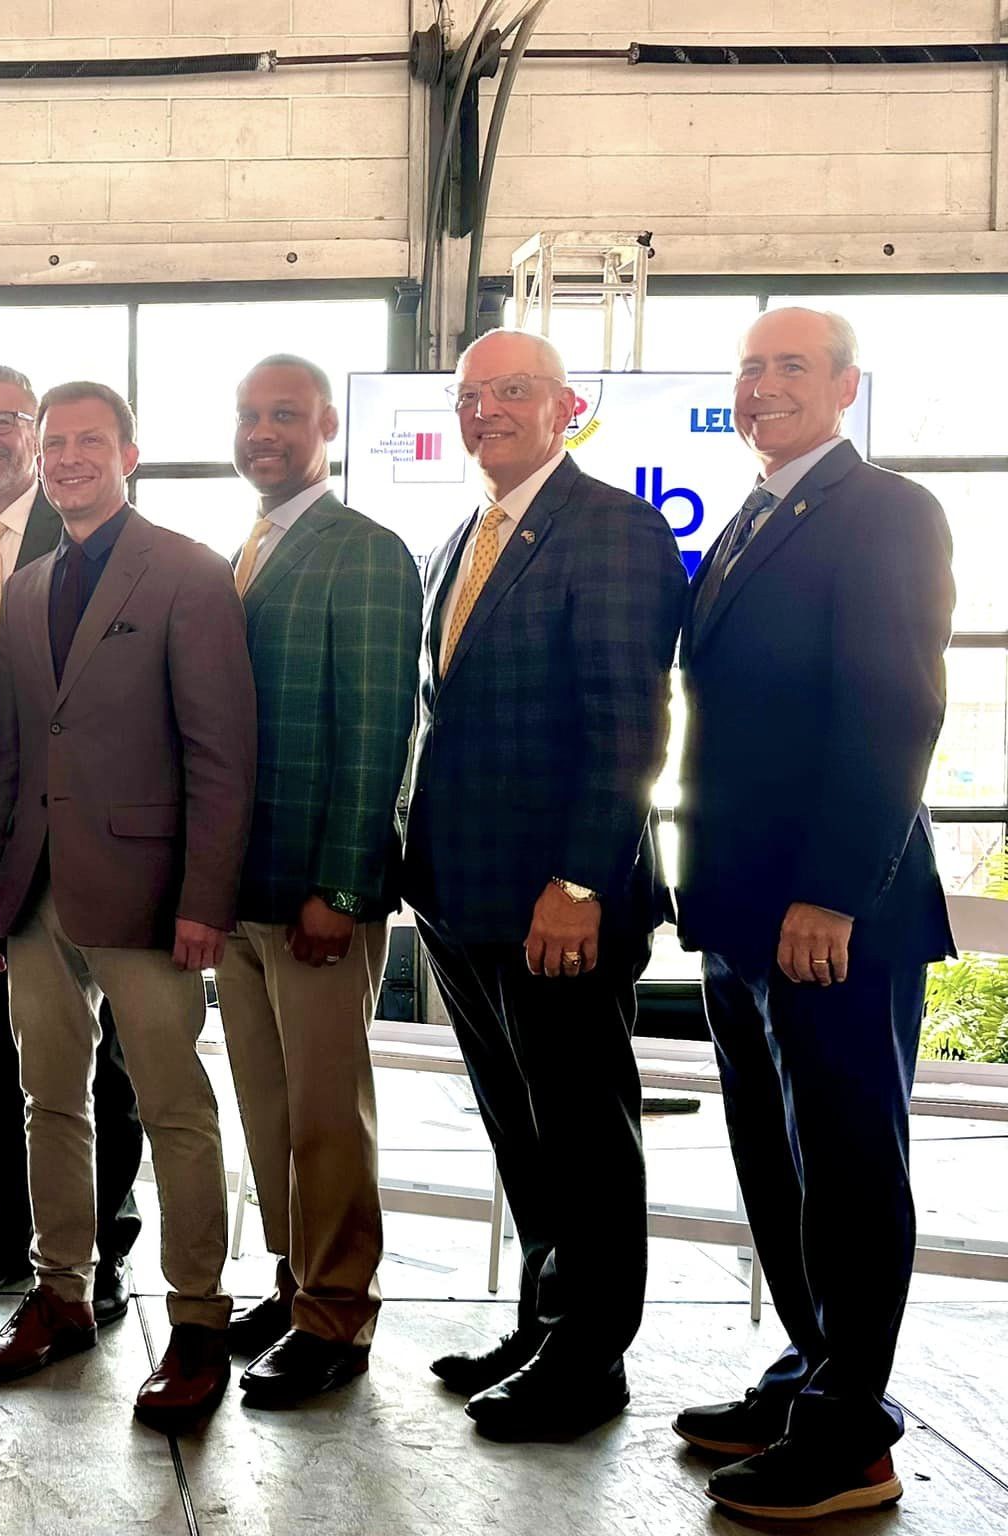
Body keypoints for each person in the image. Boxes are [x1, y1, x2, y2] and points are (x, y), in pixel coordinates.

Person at [672, 307, 955, 1522]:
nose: (763, 384)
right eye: (749, 367)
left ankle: (848, 1436)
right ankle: (809, 1372)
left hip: (831, 913)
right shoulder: (752, 513)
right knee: (775, 1163)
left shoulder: (884, 512)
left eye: (791, 365)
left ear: (845, 386)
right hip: (744, 911)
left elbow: (893, 709)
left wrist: (830, 893)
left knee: (844, 1167)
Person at [400, 329, 685, 1441]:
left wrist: (579, 882)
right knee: (518, 1128)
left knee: (581, 1132)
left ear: (566, 407)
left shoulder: (611, 526)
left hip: (556, 901)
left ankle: (589, 1357)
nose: (487, 411)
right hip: (460, 893)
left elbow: (629, 725)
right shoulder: (458, 539)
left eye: (512, 390)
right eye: (471, 395)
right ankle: (541, 1322)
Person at [0, 382, 256, 1428]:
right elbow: (10, 749)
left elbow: (221, 756)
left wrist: (205, 898)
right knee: (48, 1101)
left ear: (130, 453)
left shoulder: (187, 571)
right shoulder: (30, 586)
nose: (70, 458)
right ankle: (61, 1296)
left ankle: (198, 1322)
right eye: (55, 444)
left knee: (174, 1107)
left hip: (151, 896)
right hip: (35, 893)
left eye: (91, 441)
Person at [0, 361, 145, 1318]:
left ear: (37, 438)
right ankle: (8, 1221)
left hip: (81, 845)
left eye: (6, 421)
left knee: (104, 1052)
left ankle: (105, 1233)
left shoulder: (95, 535)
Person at [216, 355, 421, 1406]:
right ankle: (294, 1280)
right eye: (249, 415)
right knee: (267, 1108)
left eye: (285, 415)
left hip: (314, 898)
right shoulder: (244, 549)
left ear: (327, 426)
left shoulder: (365, 552)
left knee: (327, 1116)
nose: (263, 432)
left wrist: (341, 891)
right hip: (239, 894)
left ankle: (337, 1313)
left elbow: (380, 733)